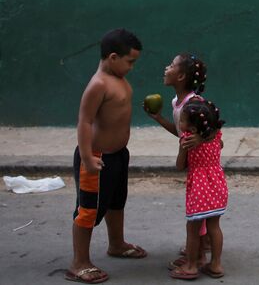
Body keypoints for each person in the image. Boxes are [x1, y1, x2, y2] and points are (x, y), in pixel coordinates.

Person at [66, 28, 146, 284]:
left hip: (118, 155)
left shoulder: (119, 79)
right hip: (98, 158)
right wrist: (88, 157)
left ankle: (117, 244)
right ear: (113, 57)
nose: (132, 67)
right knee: (88, 210)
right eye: (130, 61)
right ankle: (79, 262)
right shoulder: (98, 84)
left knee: (116, 202)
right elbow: (84, 122)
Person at [144, 53, 211, 267]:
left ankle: (198, 254)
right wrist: (160, 118)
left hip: (202, 166)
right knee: (198, 210)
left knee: (198, 212)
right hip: (193, 166)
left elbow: (215, 136)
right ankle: (199, 247)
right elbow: (181, 132)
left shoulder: (195, 104)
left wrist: (200, 137)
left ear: (181, 76)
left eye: (171, 65)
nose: (166, 68)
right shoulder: (177, 103)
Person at [169, 99, 227, 280]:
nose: (180, 123)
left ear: (193, 129)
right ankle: (216, 264)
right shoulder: (216, 136)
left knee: (192, 229)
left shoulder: (187, 140)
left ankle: (191, 265)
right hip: (217, 185)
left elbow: (180, 166)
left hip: (199, 190)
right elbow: (219, 141)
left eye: (183, 120)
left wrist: (182, 149)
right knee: (214, 227)